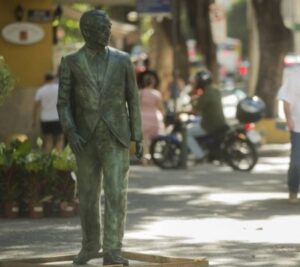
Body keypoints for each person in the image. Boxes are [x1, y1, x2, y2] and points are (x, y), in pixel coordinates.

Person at [57, 10, 143, 265]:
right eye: (103, 28)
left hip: (116, 135)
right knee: (87, 194)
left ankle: (113, 249)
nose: (108, 32)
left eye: (108, 27)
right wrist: (70, 130)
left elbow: (133, 100)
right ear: (87, 32)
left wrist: (137, 136)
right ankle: (90, 246)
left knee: (117, 193)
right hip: (84, 138)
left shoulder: (123, 60)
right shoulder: (71, 61)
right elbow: (63, 103)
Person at [187, 70, 226, 161]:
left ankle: (199, 156)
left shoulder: (205, 94)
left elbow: (195, 110)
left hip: (210, 125)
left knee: (187, 133)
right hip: (220, 121)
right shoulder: (215, 89)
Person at [277, 65, 300, 203]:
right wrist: (289, 118)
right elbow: (286, 99)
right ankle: (293, 189)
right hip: (298, 125)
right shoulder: (295, 76)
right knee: (297, 161)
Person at [32, 73, 64, 152]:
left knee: (48, 140)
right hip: (57, 118)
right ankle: (59, 160)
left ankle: (48, 161)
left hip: (45, 118)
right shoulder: (59, 89)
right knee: (60, 139)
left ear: (45, 79)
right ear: (53, 79)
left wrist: (33, 120)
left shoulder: (41, 90)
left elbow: (35, 107)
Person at [139, 74, 164, 161]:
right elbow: (160, 108)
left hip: (143, 118)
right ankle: (153, 158)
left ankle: (145, 158)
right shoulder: (156, 94)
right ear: (153, 83)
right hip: (154, 117)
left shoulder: (140, 93)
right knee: (153, 140)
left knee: (144, 140)